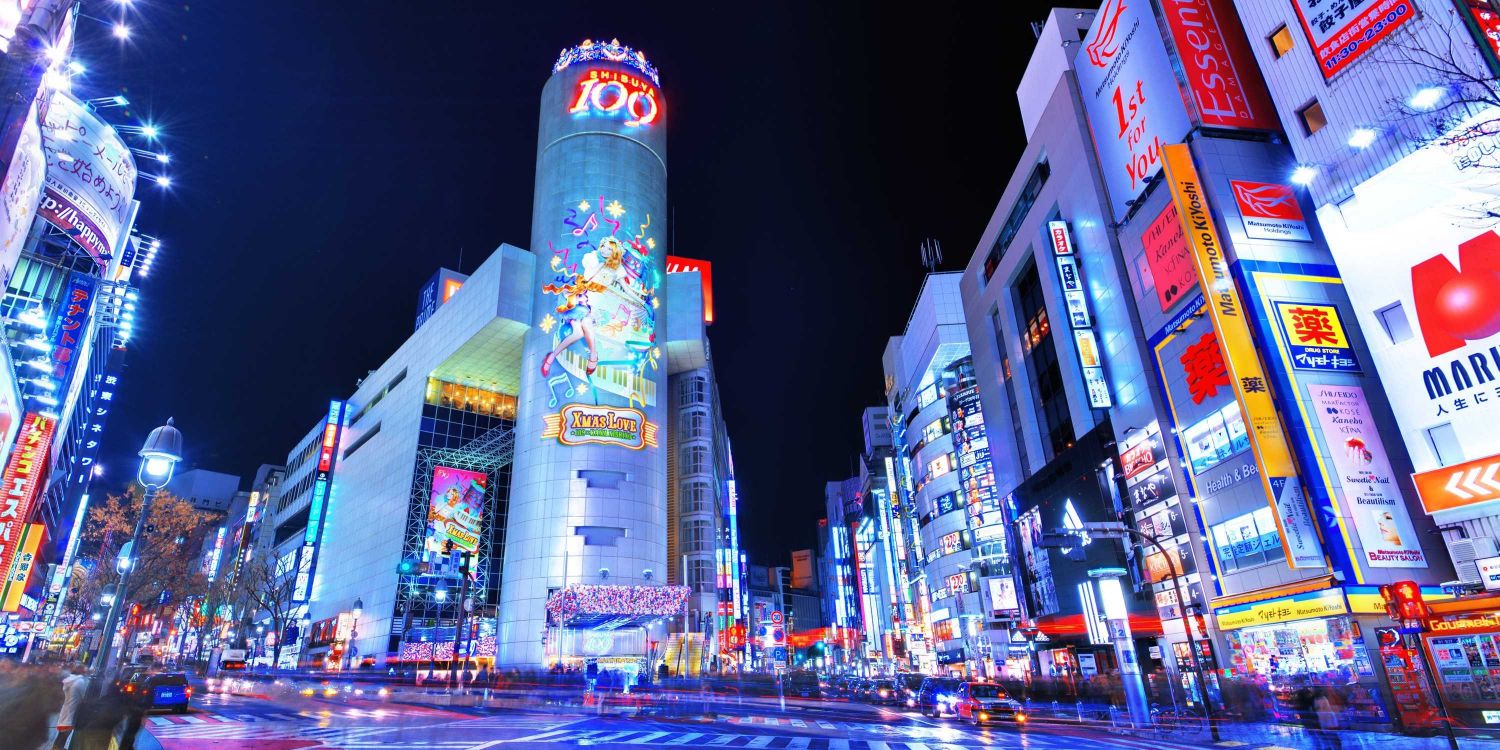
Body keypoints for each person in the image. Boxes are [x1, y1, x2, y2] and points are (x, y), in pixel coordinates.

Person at [52, 664, 91, 749]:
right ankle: (58, 748)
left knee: (62, 733)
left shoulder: (70, 680)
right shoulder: (80, 682)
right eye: (86, 671)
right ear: (82, 671)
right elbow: (84, 697)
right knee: (64, 734)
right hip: (72, 711)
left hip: (66, 708)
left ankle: (56, 747)